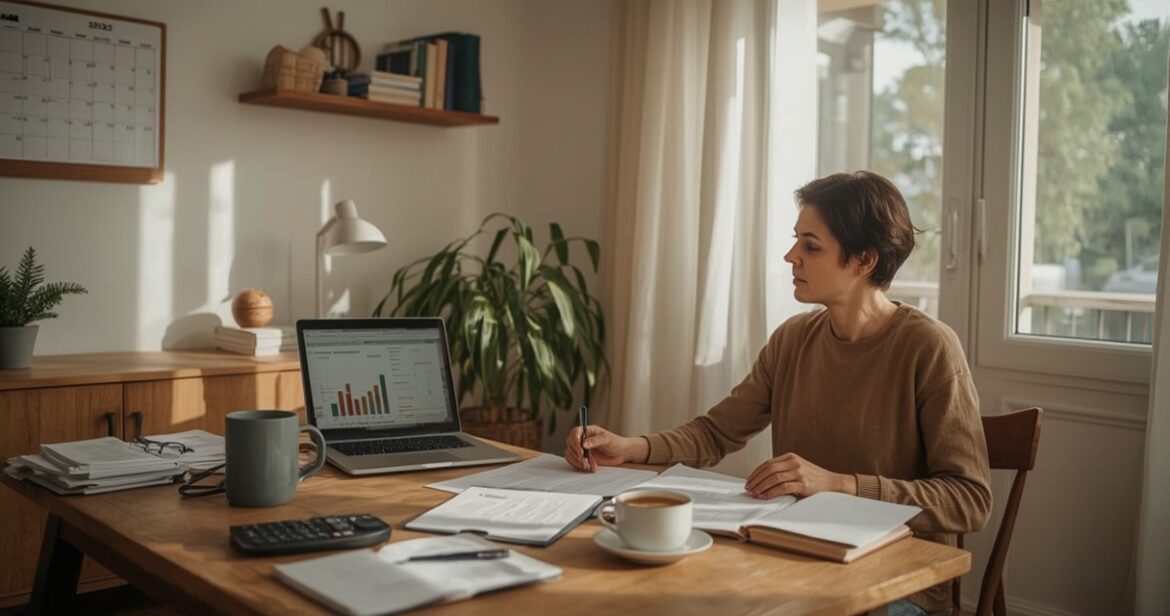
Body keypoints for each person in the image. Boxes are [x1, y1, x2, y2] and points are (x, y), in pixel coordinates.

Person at [565, 171, 991, 616]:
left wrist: (837, 485)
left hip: (896, 588)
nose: (791, 256)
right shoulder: (793, 339)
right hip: (800, 559)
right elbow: (715, 434)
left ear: (864, 260)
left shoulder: (929, 347)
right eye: (796, 241)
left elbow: (970, 500)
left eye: (811, 246)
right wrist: (630, 447)